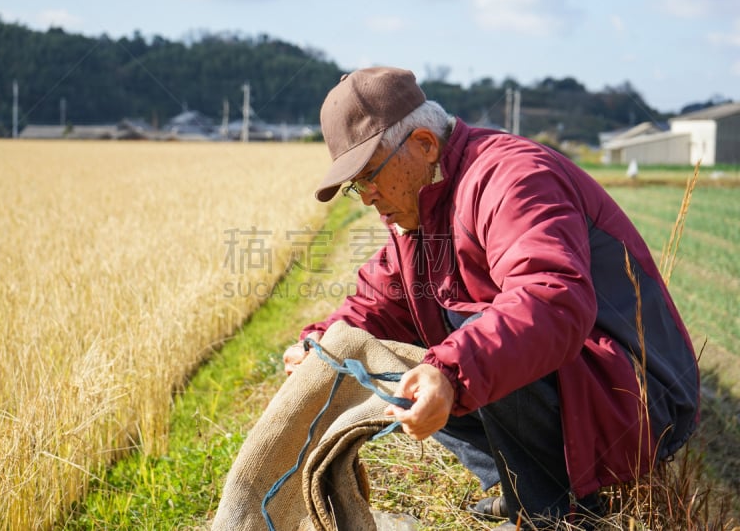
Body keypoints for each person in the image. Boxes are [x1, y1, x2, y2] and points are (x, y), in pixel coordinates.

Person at [282, 67, 699, 530]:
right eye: (356, 185)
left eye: (370, 176)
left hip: (633, 397)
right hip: (580, 388)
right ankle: (519, 481)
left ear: (423, 143)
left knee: (467, 343)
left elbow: (550, 301)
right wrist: (320, 343)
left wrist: (450, 371)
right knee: (392, 362)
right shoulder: (421, 209)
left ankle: (558, 513)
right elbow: (378, 303)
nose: (366, 198)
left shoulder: (511, 178)